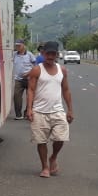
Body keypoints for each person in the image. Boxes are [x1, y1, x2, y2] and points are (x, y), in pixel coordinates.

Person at [25, 41, 73, 178]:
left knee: (60, 138)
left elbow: (66, 90)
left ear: (57, 55)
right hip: (39, 111)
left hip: (57, 111)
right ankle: (45, 166)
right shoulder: (37, 70)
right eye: (48, 53)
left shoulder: (62, 70)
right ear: (43, 54)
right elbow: (31, 90)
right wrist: (29, 109)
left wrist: (70, 110)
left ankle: (53, 157)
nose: (50, 56)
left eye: (53, 54)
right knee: (41, 141)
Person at [11, 39, 37, 119]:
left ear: (23, 45)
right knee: (16, 96)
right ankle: (18, 114)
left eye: (19, 45)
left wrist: (30, 73)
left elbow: (35, 66)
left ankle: (27, 113)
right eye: (16, 45)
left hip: (29, 79)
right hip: (18, 79)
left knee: (30, 96)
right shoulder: (14, 54)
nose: (17, 47)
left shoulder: (29, 55)